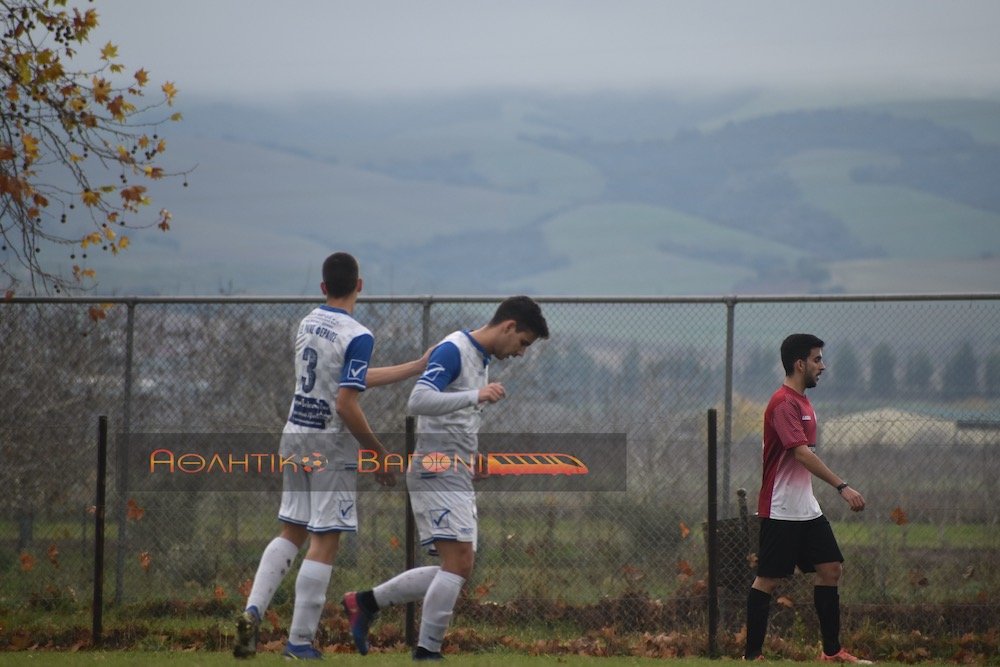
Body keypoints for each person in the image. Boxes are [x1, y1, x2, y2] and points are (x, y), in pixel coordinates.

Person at [233, 252, 428, 660]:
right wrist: (379, 454)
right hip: (329, 445)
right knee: (325, 539)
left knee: (292, 531)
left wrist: (413, 367)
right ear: (361, 285)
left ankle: (253, 610)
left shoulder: (308, 321)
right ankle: (299, 642)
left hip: (294, 435)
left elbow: (343, 378)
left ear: (323, 288)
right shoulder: (358, 334)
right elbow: (345, 403)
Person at [342, 296, 550, 661]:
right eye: (523, 343)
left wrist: (472, 456)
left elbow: (455, 418)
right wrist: (476, 395)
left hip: (452, 468)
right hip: (435, 469)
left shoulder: (479, 358)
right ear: (509, 326)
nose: (521, 353)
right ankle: (427, 652)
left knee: (455, 565)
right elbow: (419, 400)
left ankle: (365, 603)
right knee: (460, 563)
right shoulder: (454, 349)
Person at [743, 334, 872, 664]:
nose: (822, 366)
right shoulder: (784, 403)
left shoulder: (802, 402)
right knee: (768, 579)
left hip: (806, 509)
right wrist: (842, 486)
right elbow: (801, 454)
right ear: (799, 364)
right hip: (781, 507)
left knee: (830, 569)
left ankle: (832, 653)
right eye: (817, 359)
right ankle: (752, 656)